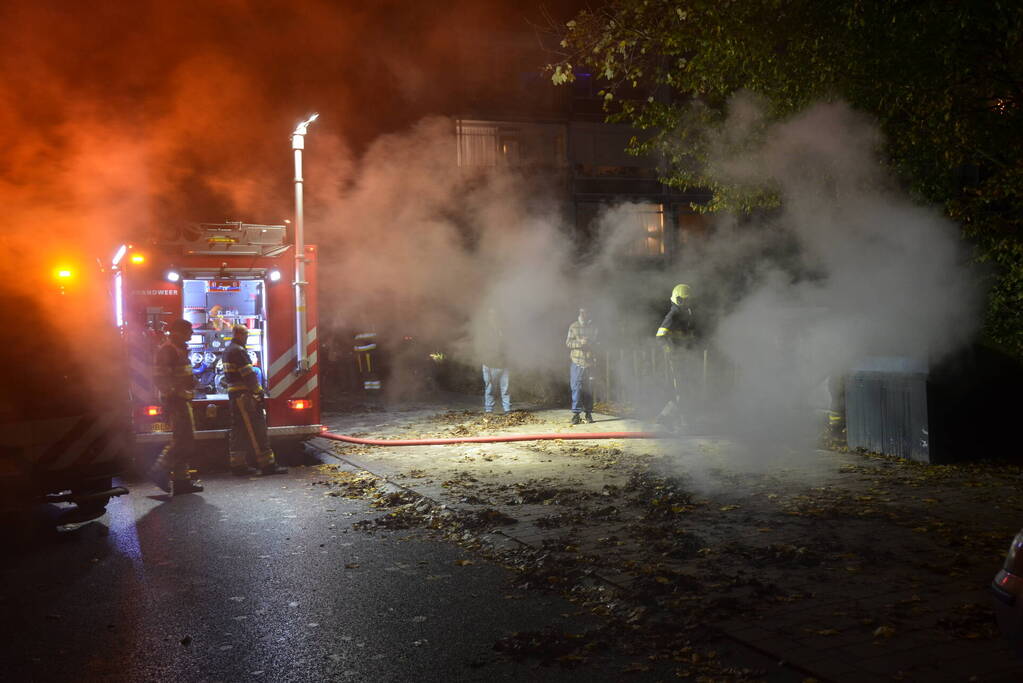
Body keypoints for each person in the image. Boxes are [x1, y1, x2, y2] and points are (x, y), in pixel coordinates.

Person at [223, 324, 287, 476]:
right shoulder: (239, 351)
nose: (246, 338)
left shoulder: (228, 350)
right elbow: (249, 375)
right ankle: (267, 465)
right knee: (258, 428)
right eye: (245, 335)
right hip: (245, 396)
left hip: (235, 396)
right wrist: (258, 393)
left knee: (238, 430)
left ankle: (238, 465)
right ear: (239, 334)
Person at [149, 318, 203, 495]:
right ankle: (159, 470)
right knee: (183, 440)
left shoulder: (178, 349)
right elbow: (160, 378)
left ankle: (181, 481)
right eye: (189, 331)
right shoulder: (168, 349)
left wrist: (192, 382)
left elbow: (182, 374)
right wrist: (173, 393)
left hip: (182, 399)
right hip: (176, 401)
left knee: (185, 439)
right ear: (179, 332)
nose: (192, 334)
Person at [655, 283, 699, 430]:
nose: (686, 303)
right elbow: (660, 336)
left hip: (684, 357)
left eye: (688, 300)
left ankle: (664, 417)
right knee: (681, 390)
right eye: (683, 300)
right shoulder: (673, 314)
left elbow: (688, 336)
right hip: (676, 358)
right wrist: (670, 351)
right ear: (677, 299)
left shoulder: (686, 314)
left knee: (686, 388)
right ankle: (682, 423)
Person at [566, 307, 598, 424]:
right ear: (580, 313)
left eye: (587, 312)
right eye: (582, 312)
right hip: (577, 362)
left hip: (589, 363)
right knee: (576, 388)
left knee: (589, 389)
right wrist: (580, 343)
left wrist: (590, 343)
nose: (585, 315)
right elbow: (568, 343)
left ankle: (588, 413)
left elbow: (597, 343)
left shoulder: (593, 328)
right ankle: (576, 414)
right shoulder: (573, 327)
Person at [477, 308, 510, 413]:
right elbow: (481, 345)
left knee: (506, 389)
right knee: (489, 388)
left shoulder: (504, 329)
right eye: (491, 315)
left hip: (504, 363)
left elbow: (509, 344)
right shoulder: (485, 330)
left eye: (495, 315)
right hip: (489, 363)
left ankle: (507, 410)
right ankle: (489, 410)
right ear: (488, 317)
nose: (493, 317)